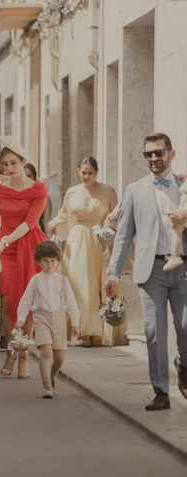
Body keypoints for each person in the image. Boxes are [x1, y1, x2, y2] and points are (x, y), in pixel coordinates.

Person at [107, 133, 187, 410]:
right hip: (150, 269)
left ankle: (184, 366)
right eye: (148, 154)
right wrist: (113, 273)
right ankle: (161, 391)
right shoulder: (135, 190)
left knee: (185, 326)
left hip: (182, 268)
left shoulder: (184, 185)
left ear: (171, 154)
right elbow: (124, 234)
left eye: (159, 153)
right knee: (154, 332)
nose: (153, 158)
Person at [0, 136, 47, 381]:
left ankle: (22, 355)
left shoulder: (38, 189)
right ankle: (11, 349)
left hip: (29, 245)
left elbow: (30, 223)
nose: (8, 169)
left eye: (13, 164)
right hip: (4, 249)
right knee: (8, 301)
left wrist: (5, 241)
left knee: (27, 303)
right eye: (4, 165)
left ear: (23, 162)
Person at [49, 157, 120, 347]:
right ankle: (81, 331)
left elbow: (116, 216)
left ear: (96, 172)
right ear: (78, 171)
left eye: (90, 173)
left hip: (100, 242)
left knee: (100, 285)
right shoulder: (72, 192)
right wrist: (56, 225)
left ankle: (99, 331)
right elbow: (64, 216)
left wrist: (109, 230)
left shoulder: (108, 190)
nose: (86, 176)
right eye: (83, 172)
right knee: (79, 286)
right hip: (77, 242)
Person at [16, 241, 80, 398]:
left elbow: (71, 302)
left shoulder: (63, 281)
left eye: (53, 260)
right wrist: (21, 318)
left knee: (59, 358)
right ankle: (47, 387)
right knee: (46, 353)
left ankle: (52, 375)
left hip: (59, 317)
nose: (49, 264)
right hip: (41, 317)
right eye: (45, 260)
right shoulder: (36, 280)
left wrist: (75, 322)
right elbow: (26, 300)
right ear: (39, 261)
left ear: (57, 261)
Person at [24, 162, 52, 236]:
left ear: (34, 177)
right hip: (20, 237)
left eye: (29, 176)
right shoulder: (15, 197)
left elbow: (47, 220)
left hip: (39, 236)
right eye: (24, 176)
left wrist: (51, 242)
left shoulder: (44, 197)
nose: (27, 179)